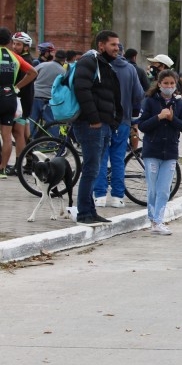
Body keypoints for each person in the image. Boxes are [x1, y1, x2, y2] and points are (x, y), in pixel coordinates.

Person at [72, 30, 123, 225]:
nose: (117, 48)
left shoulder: (105, 64)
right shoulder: (89, 61)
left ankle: (90, 211)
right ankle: (84, 213)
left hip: (103, 125)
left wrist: (114, 121)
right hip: (90, 125)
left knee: (95, 169)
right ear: (101, 45)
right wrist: (94, 119)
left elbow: (110, 96)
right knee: (91, 169)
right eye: (113, 45)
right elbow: (81, 89)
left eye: (118, 45)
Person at [137, 70, 182, 234]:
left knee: (164, 189)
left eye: (172, 83)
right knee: (153, 189)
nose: (169, 86)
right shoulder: (149, 102)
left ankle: (158, 220)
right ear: (159, 84)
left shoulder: (179, 104)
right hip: (152, 151)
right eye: (166, 83)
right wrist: (158, 117)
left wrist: (172, 119)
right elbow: (142, 125)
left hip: (170, 152)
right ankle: (152, 219)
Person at [93, 45, 145, 208]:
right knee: (118, 158)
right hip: (123, 120)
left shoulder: (99, 66)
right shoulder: (130, 69)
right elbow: (138, 94)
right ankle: (117, 196)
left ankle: (100, 195)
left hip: (102, 118)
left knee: (101, 157)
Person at [0, 27, 37, 177]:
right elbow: (33, 73)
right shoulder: (15, 57)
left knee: (18, 133)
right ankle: (4, 168)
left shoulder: (19, 57)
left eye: (18, 44)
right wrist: (14, 88)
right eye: (14, 43)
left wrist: (16, 88)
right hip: (12, 98)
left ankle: (18, 163)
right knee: (11, 135)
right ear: (9, 41)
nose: (15, 46)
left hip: (13, 98)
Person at [30, 48, 66, 137]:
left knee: (32, 121)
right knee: (51, 122)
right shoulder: (63, 71)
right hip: (49, 99)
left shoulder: (43, 65)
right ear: (64, 60)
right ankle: (53, 142)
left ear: (55, 57)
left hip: (35, 96)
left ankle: (30, 141)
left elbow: (31, 72)